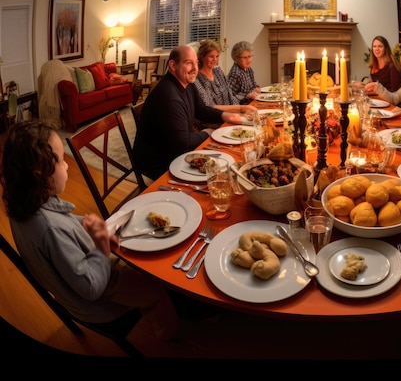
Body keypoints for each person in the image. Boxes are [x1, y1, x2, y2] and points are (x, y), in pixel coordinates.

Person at [0, 120, 180, 341]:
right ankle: (171, 339)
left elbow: (59, 223)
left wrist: (83, 225)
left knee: (142, 252)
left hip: (86, 270)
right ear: (40, 174)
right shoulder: (49, 229)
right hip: (96, 300)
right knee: (155, 290)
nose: (67, 166)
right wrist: (101, 248)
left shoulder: (25, 204)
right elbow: (90, 287)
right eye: (62, 161)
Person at [133, 45, 241, 180]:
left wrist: (224, 115)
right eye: (189, 63)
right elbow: (183, 144)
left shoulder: (187, 84)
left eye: (195, 62)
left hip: (176, 151)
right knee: (223, 174)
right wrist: (206, 133)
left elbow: (201, 110)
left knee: (229, 160)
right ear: (173, 65)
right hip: (160, 163)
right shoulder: (168, 97)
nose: (195, 68)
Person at [193, 39, 258, 130]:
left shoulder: (218, 71)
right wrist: (241, 108)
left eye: (217, 56)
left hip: (230, 117)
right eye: (211, 56)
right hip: (213, 122)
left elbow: (230, 96)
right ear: (202, 57)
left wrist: (242, 112)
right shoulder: (197, 79)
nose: (215, 60)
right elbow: (210, 107)